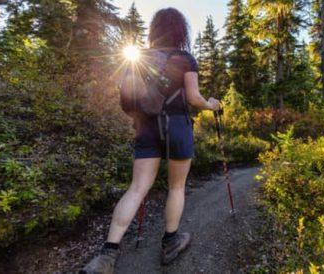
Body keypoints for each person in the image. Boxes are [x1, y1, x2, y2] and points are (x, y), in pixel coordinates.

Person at [80, 8, 220, 273]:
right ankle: (170, 242)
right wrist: (211, 105)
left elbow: (130, 98)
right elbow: (193, 99)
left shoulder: (139, 58)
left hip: (146, 128)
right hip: (177, 126)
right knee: (176, 187)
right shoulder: (185, 58)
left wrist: (138, 121)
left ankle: (107, 256)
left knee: (136, 188)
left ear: (154, 29)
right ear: (181, 30)